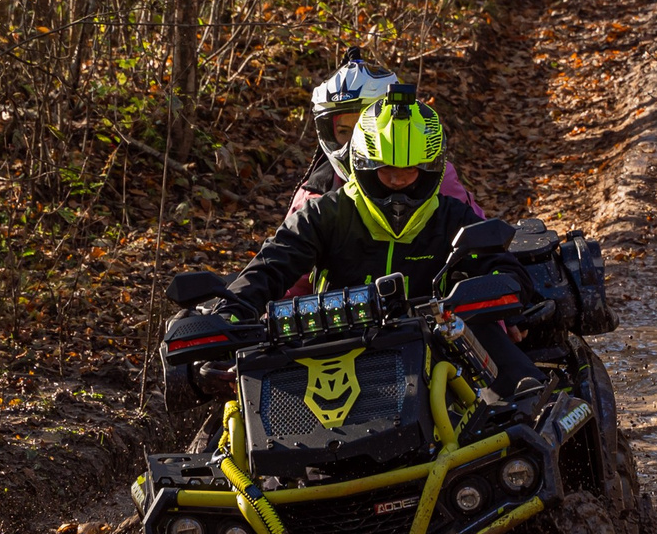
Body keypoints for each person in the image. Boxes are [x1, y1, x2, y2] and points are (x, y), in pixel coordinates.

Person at [228, 87, 546, 401]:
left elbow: (503, 267)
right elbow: (271, 265)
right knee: (236, 404)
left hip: (441, 351)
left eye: (408, 171)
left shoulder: (452, 216)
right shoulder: (322, 214)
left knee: (535, 399)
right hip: (328, 356)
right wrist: (229, 312)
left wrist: (492, 289)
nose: (396, 181)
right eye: (385, 169)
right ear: (363, 164)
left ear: (429, 169)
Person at [291, 51, 482, 219]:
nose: (353, 144)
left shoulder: (432, 176)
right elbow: (286, 251)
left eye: (364, 127)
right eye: (344, 131)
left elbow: (479, 242)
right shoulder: (313, 194)